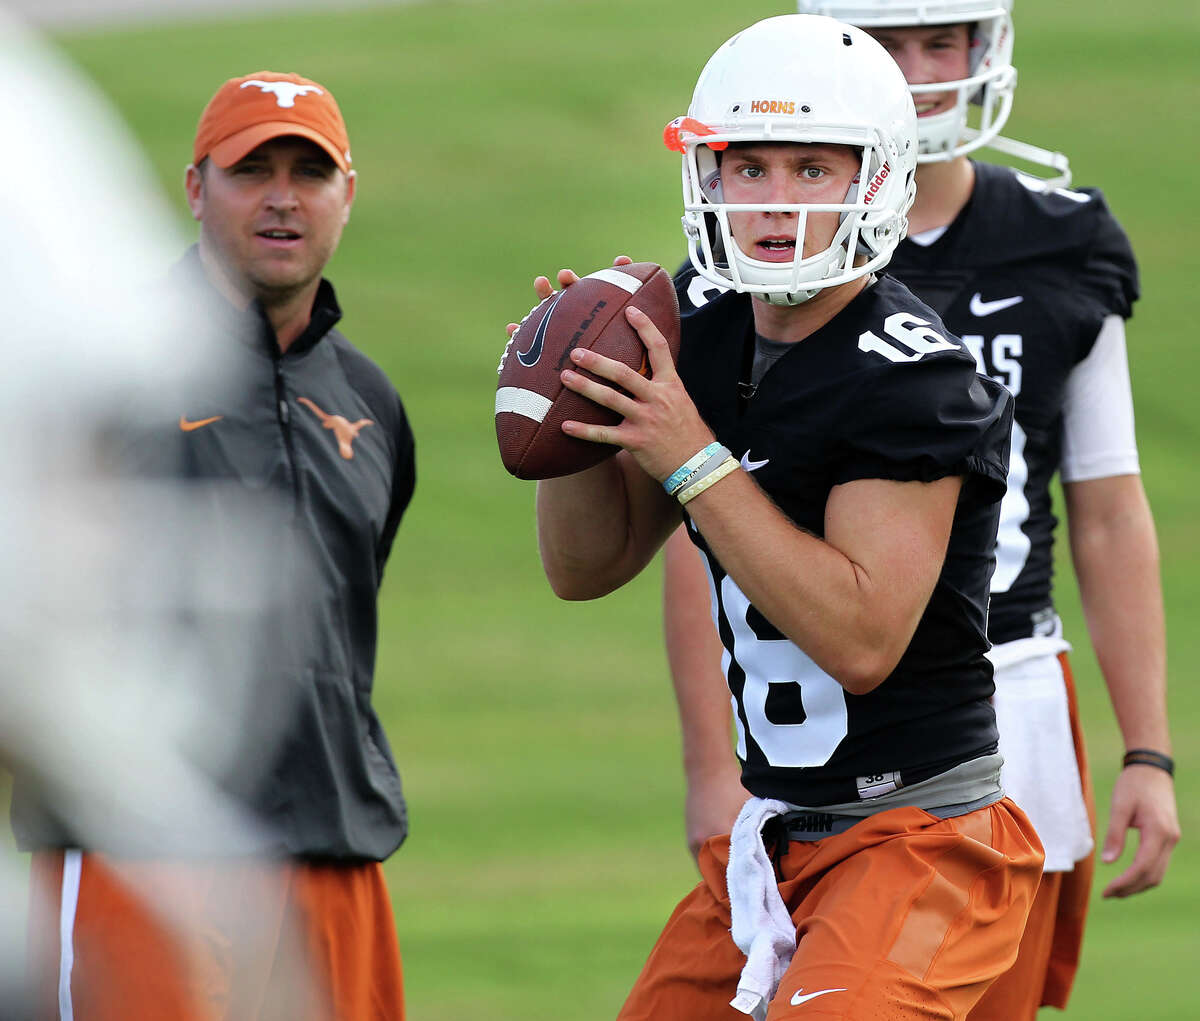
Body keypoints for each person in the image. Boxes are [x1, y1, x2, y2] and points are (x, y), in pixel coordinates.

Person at [515, 14, 1043, 1019]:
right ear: (705, 176)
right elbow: (586, 567)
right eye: (748, 166)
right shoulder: (701, 336)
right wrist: (570, 423)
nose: (776, 201)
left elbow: (860, 636)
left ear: (878, 178)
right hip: (776, 838)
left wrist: (693, 457)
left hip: (921, 838)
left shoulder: (914, 378)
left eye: (812, 168)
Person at [665, 1, 1181, 1017]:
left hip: (1003, 688)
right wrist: (705, 766)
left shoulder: (1056, 241)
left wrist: (1149, 747)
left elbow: (1111, 508)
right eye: (880, 44)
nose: (905, 71)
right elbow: (703, 535)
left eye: (935, 40)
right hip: (803, 722)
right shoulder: (742, 282)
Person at [10, 70, 415, 1020]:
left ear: (346, 195)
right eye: (251, 170)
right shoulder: (118, 369)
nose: (282, 197)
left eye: (309, 173)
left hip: (333, 855)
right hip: (135, 848)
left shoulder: (371, 400)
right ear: (196, 189)